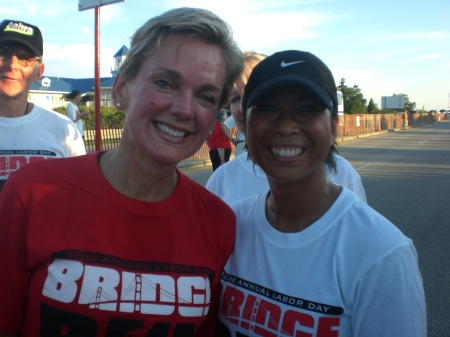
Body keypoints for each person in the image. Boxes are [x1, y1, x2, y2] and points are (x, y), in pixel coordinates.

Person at [0, 8, 244, 336]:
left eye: (205, 96)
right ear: (120, 89)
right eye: (164, 83)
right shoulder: (30, 192)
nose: (185, 109)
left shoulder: (219, 223)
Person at [218, 50, 426, 337]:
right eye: (267, 108)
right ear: (246, 124)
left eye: (307, 108)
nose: (286, 126)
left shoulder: (383, 255)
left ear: (333, 126)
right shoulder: (231, 224)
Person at [206, 51, 367, 205]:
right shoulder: (222, 180)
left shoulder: (341, 172)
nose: (243, 107)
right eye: (235, 98)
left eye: (259, 97)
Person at [0, 19, 85, 192]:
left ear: (38, 72)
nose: (12, 64)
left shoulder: (64, 130)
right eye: (3, 52)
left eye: (24, 57)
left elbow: (79, 197)